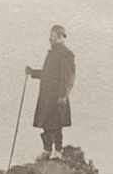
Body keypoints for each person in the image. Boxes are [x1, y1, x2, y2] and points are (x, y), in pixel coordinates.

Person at [26, 24, 76, 159]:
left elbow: (68, 76)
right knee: (46, 123)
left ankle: (58, 151)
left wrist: (63, 94)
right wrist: (33, 73)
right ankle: (47, 149)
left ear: (59, 36)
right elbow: (48, 74)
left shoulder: (66, 54)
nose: (50, 37)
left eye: (52, 35)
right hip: (46, 95)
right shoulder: (53, 53)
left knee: (56, 124)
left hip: (57, 96)